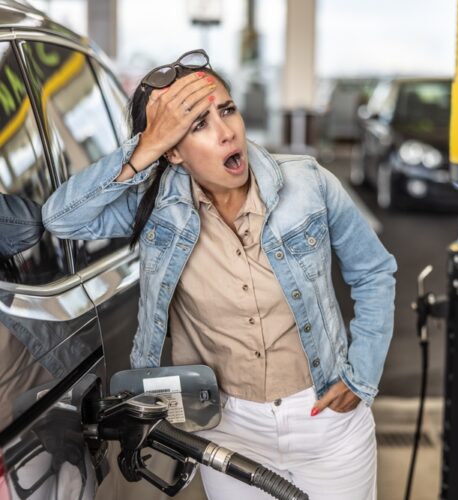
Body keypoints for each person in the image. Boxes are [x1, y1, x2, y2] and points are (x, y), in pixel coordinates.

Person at [42, 49, 397, 500]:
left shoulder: (310, 184)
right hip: (228, 429)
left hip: (325, 421)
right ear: (172, 150)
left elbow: (374, 271)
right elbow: (61, 219)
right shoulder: (154, 211)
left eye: (226, 110)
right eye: (197, 125)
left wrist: (361, 376)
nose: (227, 132)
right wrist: (146, 146)